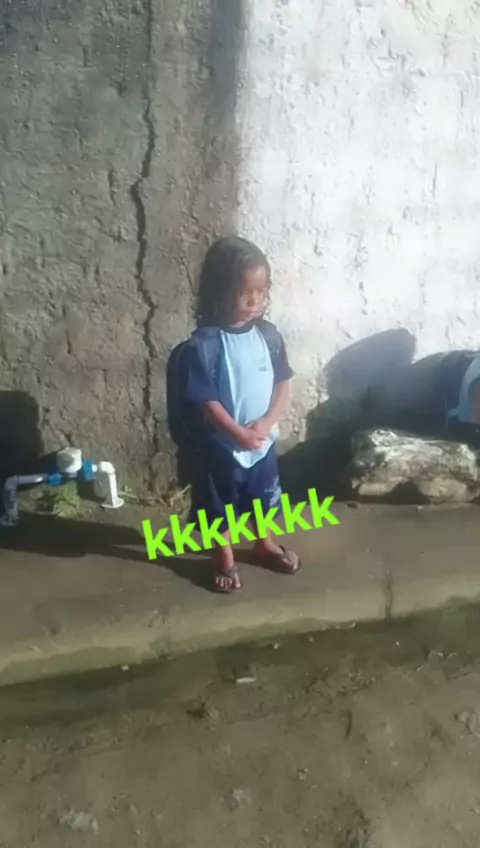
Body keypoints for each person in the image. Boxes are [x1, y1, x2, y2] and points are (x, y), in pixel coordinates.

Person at [175, 236, 301, 593]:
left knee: (263, 499)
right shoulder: (204, 345)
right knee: (220, 507)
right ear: (219, 291)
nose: (255, 301)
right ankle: (224, 557)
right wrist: (237, 433)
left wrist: (266, 424)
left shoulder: (269, 336)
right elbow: (206, 401)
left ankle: (263, 543)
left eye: (262, 291)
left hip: (261, 442)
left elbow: (282, 383)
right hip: (222, 445)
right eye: (245, 292)